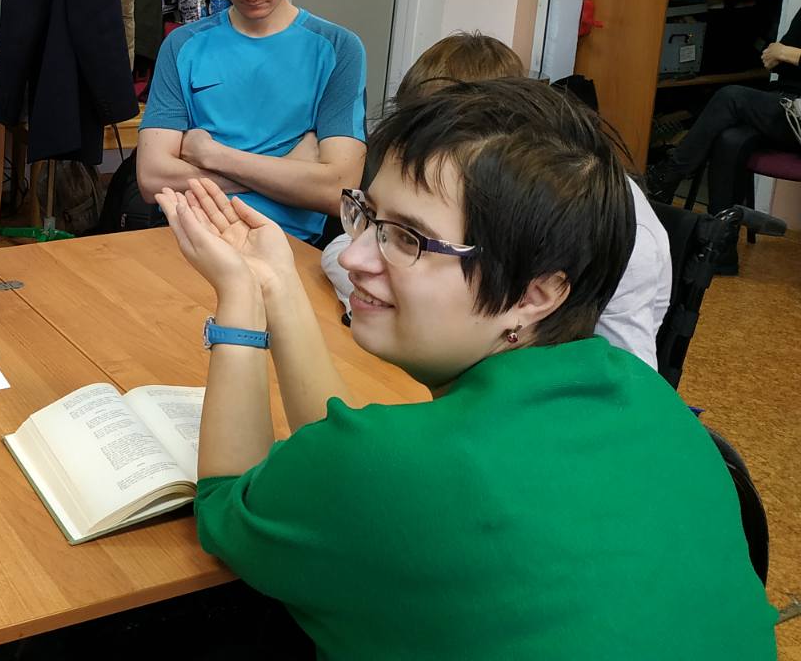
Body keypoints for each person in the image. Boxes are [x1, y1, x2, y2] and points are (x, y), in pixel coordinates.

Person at [155, 78, 776, 658]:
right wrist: (275, 281)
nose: (356, 257)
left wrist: (239, 298)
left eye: (408, 238)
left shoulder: (398, 470)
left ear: (536, 293)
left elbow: (229, 504)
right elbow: (352, 466)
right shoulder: (652, 399)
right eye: (367, 215)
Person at [320, 31, 672, 369]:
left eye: (408, 237)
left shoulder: (612, 227)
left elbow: (627, 372)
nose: (354, 257)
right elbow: (341, 249)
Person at [137, 0, 366, 241]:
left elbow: (339, 191)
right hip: (193, 238)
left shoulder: (339, 49)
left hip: (289, 245)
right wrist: (290, 169)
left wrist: (210, 154)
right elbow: (153, 180)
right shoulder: (182, 46)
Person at [646, 5, 801, 211]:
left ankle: (666, 177)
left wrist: (787, 53)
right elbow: (775, 61)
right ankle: (720, 225)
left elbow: (783, 52)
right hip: (783, 103)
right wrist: (784, 54)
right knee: (730, 139)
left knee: (731, 97)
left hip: (796, 116)